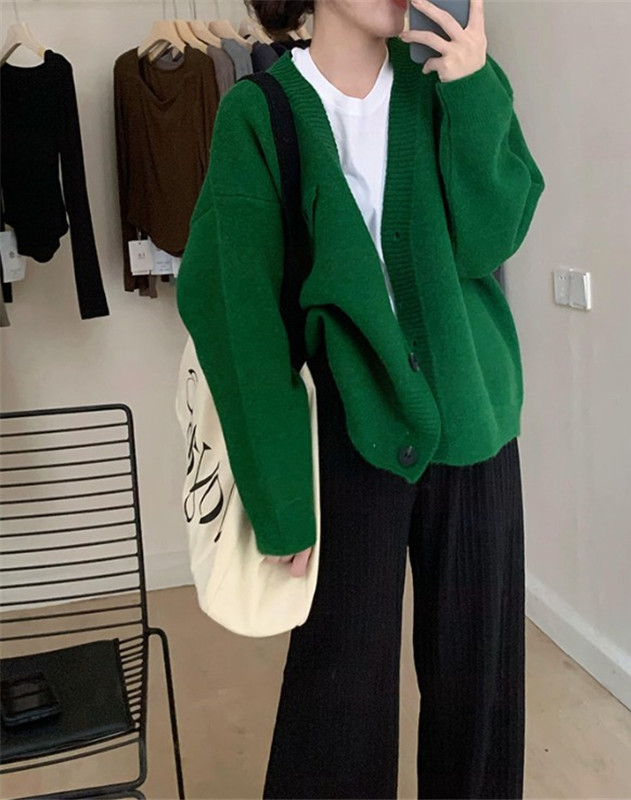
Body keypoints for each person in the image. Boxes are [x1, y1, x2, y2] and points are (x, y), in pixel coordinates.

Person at [175, 0, 546, 796]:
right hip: (348, 436)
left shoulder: (444, 86)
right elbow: (240, 319)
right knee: (338, 694)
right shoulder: (260, 113)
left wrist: (474, 88)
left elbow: (494, 236)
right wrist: (281, 499)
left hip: (472, 422)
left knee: (479, 688)